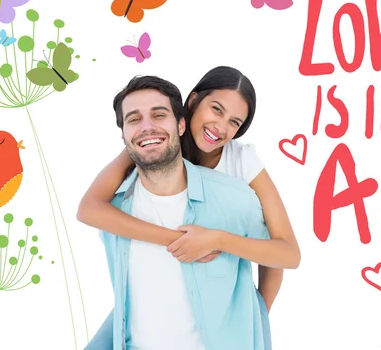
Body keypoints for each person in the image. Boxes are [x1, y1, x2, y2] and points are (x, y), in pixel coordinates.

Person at [79, 68, 300, 349]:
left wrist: (250, 318)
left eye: (234, 122)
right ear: (193, 102)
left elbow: (283, 252)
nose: (220, 127)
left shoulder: (241, 165)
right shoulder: (155, 139)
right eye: (216, 110)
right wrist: (177, 241)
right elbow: (89, 208)